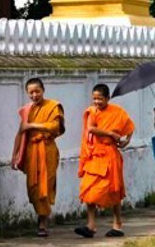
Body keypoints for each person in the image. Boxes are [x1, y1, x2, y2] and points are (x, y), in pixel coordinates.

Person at [76, 84, 134, 238]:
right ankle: (91, 225)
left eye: (100, 99)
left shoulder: (117, 112)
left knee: (114, 191)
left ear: (108, 98)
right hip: (95, 155)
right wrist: (110, 133)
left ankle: (117, 224)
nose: (96, 102)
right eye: (94, 99)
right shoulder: (91, 112)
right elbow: (91, 129)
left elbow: (130, 126)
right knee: (88, 190)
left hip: (110, 155)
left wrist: (126, 141)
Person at [12, 78, 64, 237]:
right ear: (27, 93)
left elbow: (55, 126)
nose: (34, 95)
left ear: (43, 90)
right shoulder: (27, 110)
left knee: (45, 187)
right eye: (31, 92)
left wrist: (33, 126)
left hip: (47, 149)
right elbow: (21, 133)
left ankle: (43, 221)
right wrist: (14, 154)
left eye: (37, 91)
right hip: (31, 151)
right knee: (33, 188)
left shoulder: (53, 106)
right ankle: (42, 215)